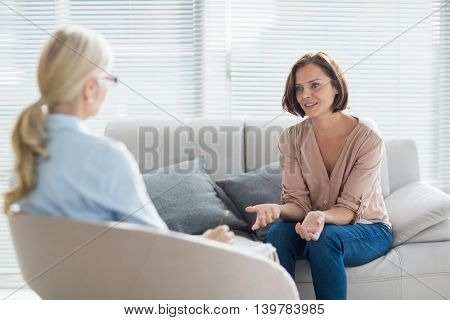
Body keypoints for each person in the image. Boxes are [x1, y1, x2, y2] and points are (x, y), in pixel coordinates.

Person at [4, 25, 233, 244]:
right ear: (90, 88)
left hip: (57, 285)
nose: (109, 87)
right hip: (113, 284)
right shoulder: (106, 157)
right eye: (108, 78)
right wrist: (207, 245)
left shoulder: (26, 160)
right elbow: (157, 249)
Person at [245, 52, 393, 300]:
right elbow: (299, 204)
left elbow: (348, 210)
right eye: (299, 88)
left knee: (325, 239)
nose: (305, 96)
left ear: (336, 85)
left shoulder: (368, 141)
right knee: (277, 233)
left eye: (315, 85)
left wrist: (321, 216)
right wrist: (277, 210)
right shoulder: (290, 139)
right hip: (314, 225)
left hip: (367, 228)